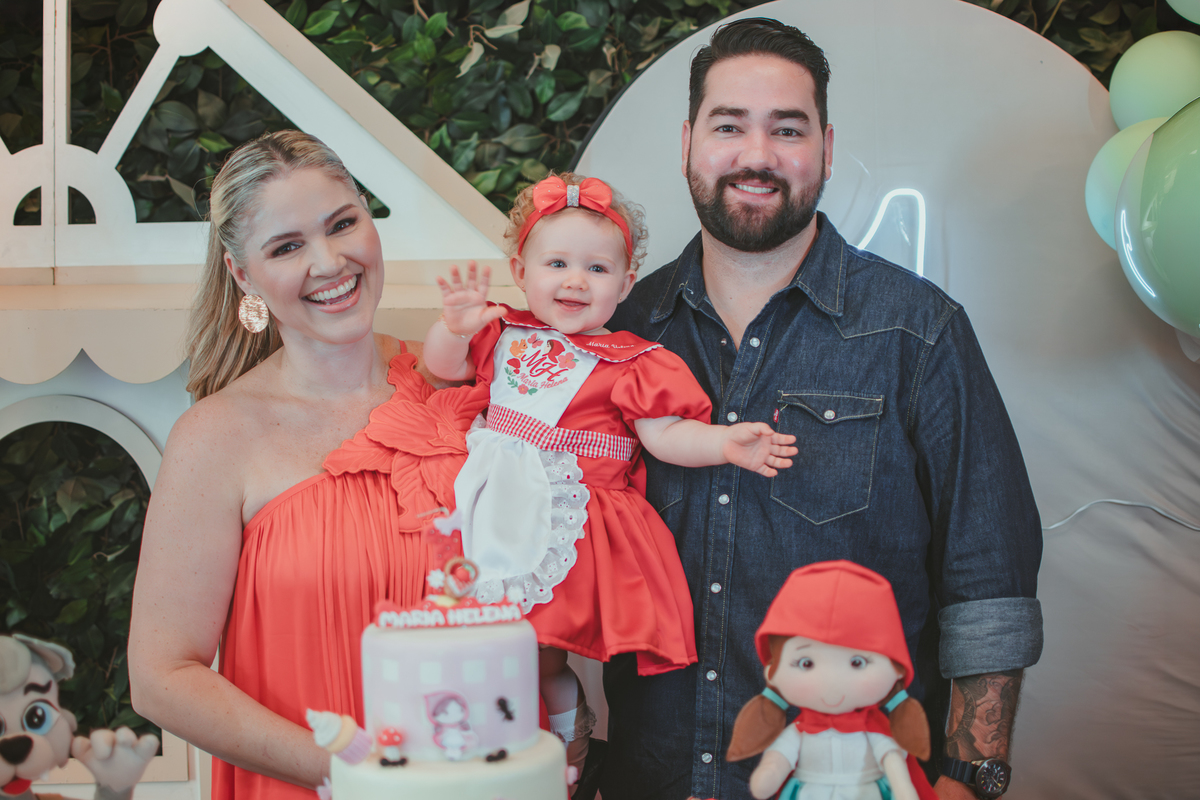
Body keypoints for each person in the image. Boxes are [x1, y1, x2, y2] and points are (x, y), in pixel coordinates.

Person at [602, 18, 1043, 800]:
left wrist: (973, 780)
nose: (757, 156)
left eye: (788, 129)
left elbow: (990, 582)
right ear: (687, 144)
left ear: (827, 150)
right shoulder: (626, 330)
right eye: (729, 126)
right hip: (654, 776)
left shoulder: (919, 331)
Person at [127, 130, 490, 799]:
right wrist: (353, 774)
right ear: (243, 275)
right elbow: (160, 675)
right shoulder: (216, 436)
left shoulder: (468, 388)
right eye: (287, 247)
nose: (329, 262)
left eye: (342, 224)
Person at [421, 173, 798, 781]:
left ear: (625, 284)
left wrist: (727, 443)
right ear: (521, 270)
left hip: (562, 517)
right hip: (484, 504)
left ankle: (565, 753)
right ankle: (485, 750)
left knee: (540, 652)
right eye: (558, 263)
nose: (575, 280)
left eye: (597, 270)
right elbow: (442, 370)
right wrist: (455, 325)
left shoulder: (631, 361)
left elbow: (666, 435)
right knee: (481, 641)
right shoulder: (502, 332)